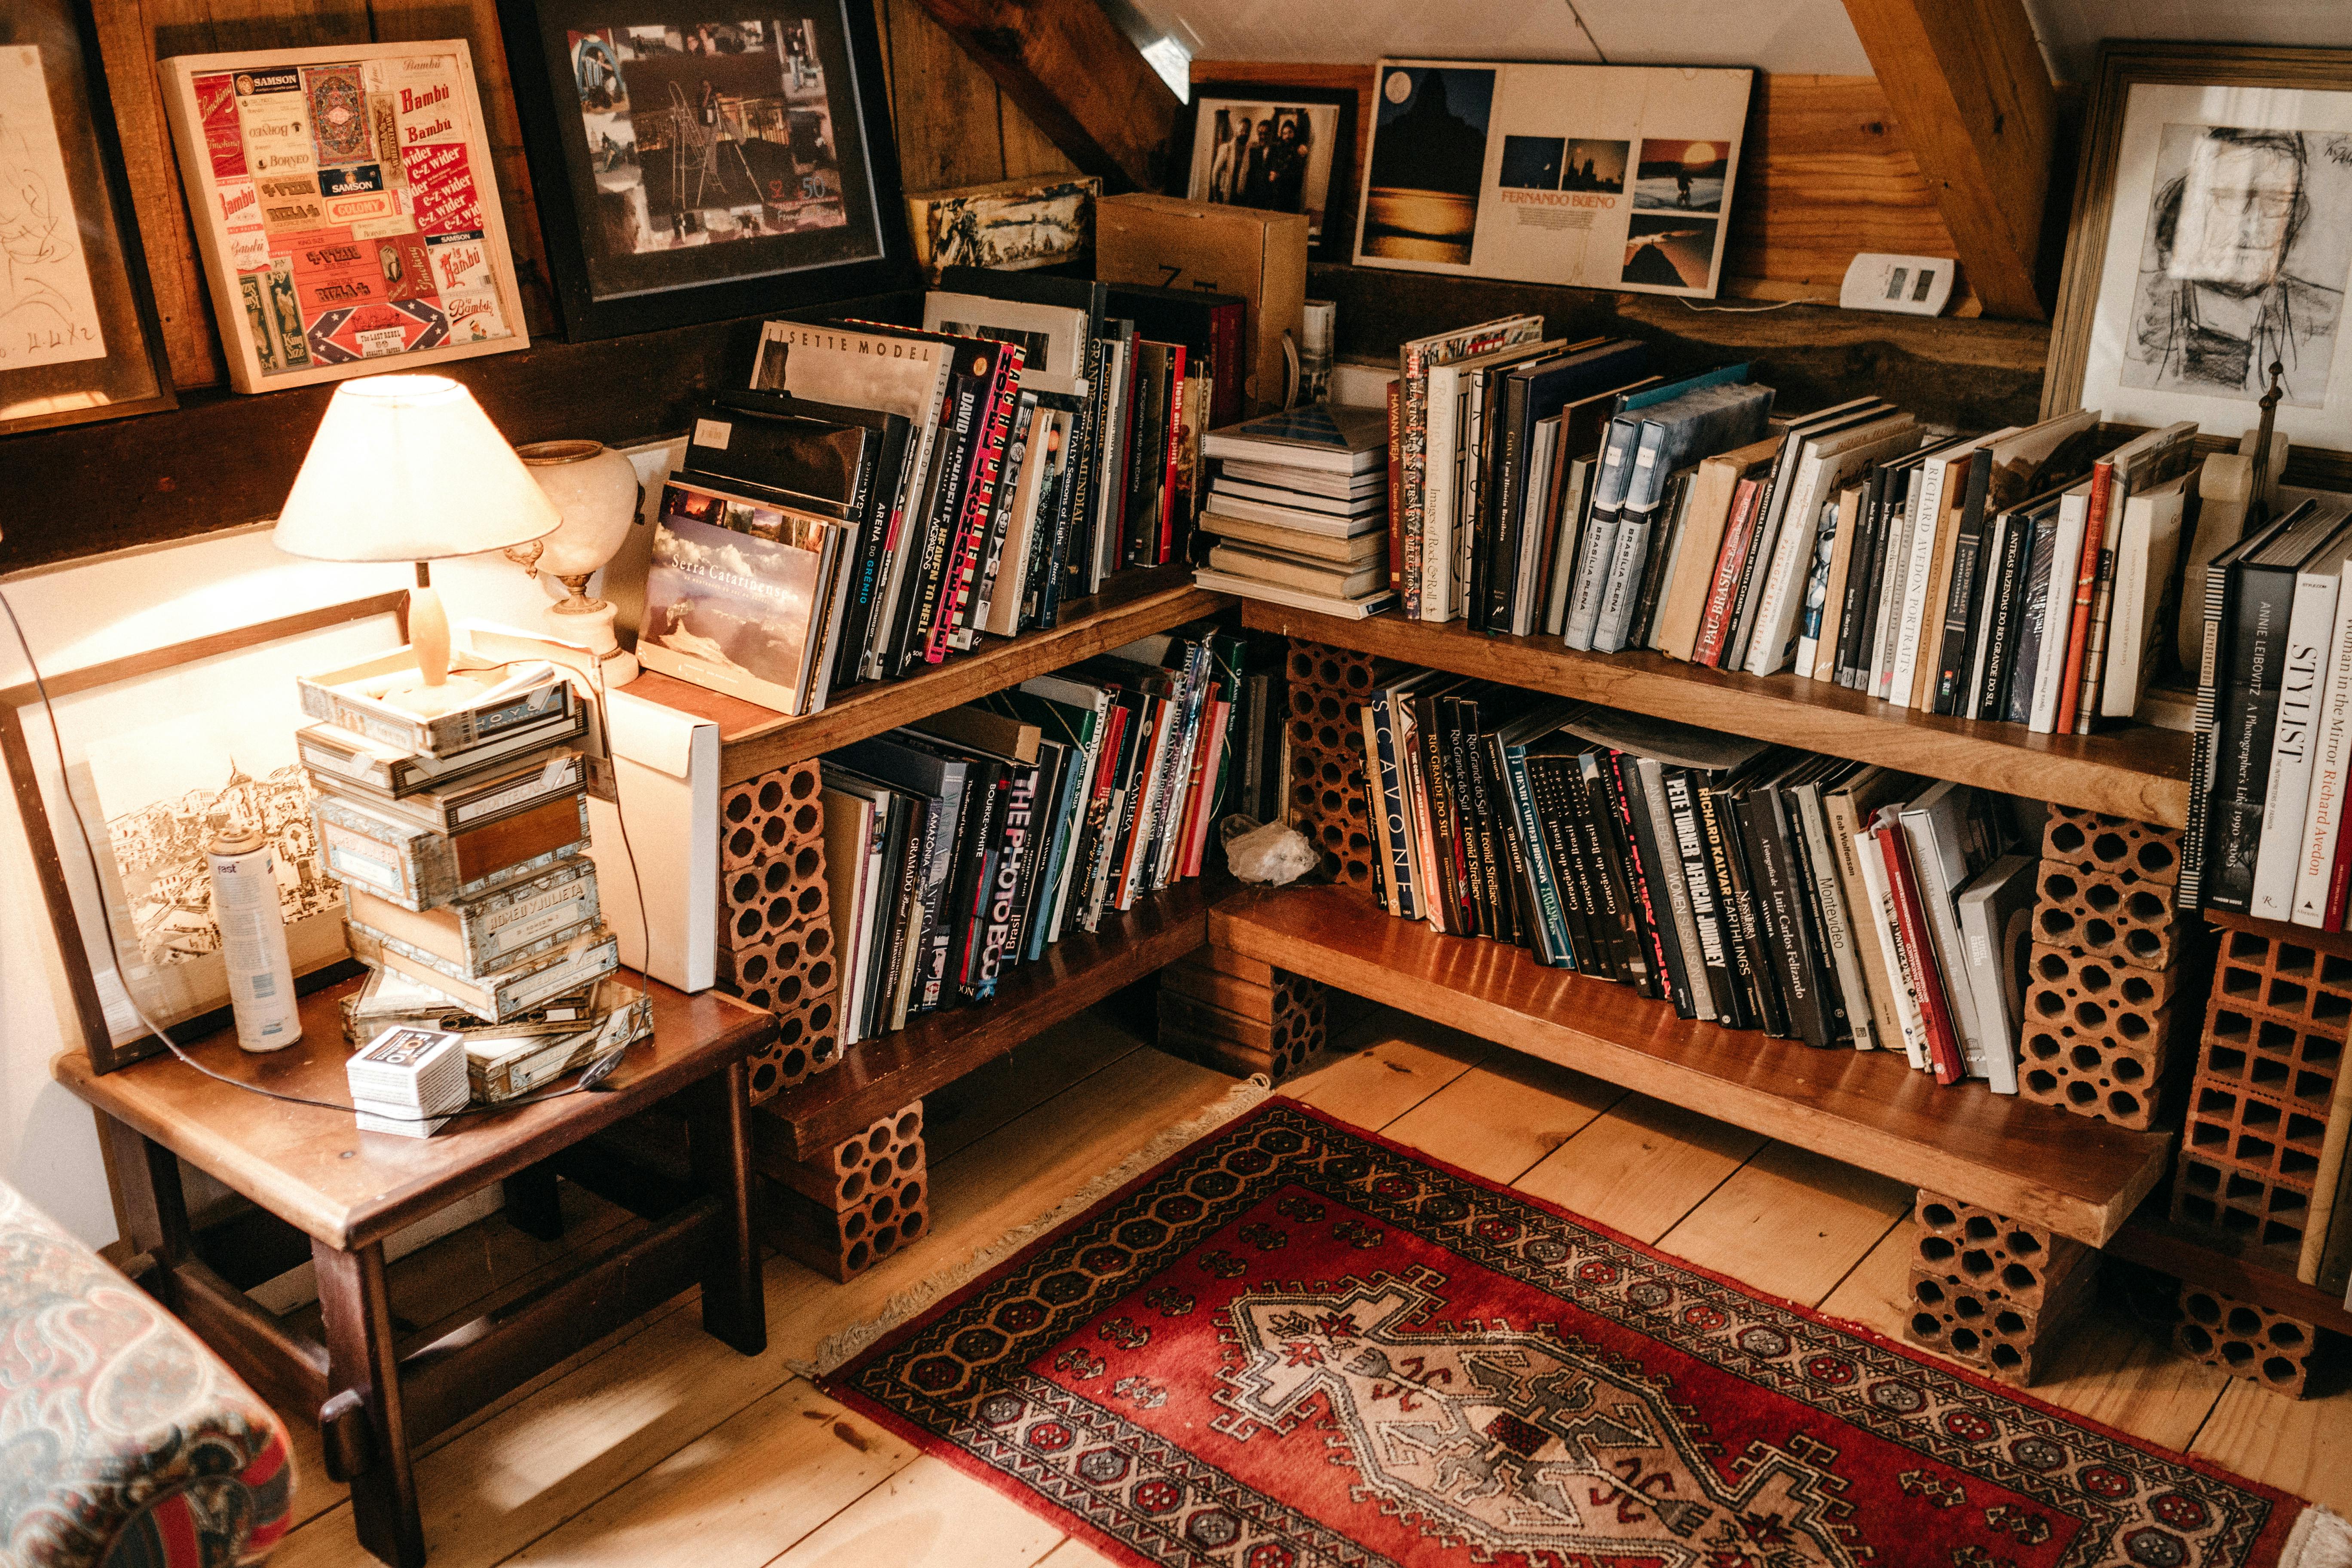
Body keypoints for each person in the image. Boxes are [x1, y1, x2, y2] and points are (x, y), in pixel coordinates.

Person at [2130, 126, 2344, 399]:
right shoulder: (2136, 301)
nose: (2250, 227)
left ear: (2295, 216)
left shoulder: (2329, 322)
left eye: (2275, 202)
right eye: (2228, 197)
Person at [1209, 112, 1248, 203]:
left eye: (1247, 131)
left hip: (1239, 197)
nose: (1244, 133)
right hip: (1224, 194)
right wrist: (1216, 196)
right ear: (1237, 130)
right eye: (1242, 130)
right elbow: (1215, 172)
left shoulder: (1247, 152)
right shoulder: (1226, 148)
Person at [1238, 117, 1277, 208]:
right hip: (1252, 198)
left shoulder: (1276, 152)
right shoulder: (1253, 151)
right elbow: (1248, 173)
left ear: (1271, 134)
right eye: (1260, 134)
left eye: (1266, 134)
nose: (1262, 137)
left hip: (1269, 200)